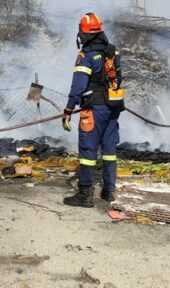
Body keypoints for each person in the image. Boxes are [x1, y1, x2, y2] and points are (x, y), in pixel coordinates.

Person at [62, 12, 123, 207]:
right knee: (109, 150)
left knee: (88, 150)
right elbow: (118, 79)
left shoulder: (86, 56)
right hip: (113, 108)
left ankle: (85, 195)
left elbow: (78, 86)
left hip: (94, 110)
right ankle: (108, 191)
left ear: (84, 33)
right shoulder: (112, 52)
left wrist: (69, 109)